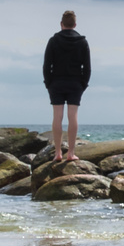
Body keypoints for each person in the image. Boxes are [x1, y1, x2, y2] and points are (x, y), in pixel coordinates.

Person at [42, 10, 91, 163]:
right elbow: (87, 67)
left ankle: (57, 153)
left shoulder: (53, 40)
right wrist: (83, 84)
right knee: (72, 116)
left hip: (56, 82)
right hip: (75, 83)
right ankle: (71, 152)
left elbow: (46, 65)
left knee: (57, 116)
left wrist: (48, 83)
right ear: (75, 24)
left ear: (61, 24)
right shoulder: (83, 42)